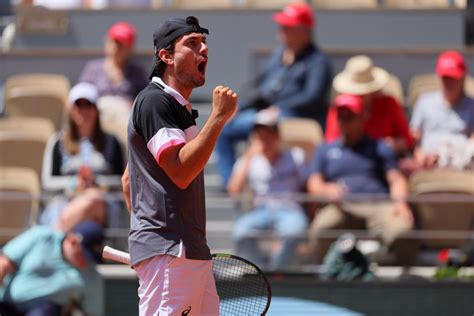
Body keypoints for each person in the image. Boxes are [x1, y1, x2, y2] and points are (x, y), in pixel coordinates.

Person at [122, 16, 237, 315]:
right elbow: (181, 171)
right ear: (167, 56)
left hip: (186, 252)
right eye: (192, 43)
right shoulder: (155, 102)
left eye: (204, 43)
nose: (204, 50)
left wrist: (144, 237)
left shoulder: (175, 107)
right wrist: (218, 117)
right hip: (172, 253)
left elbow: (128, 180)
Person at [215, 1, 332, 186]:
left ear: (304, 31)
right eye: (282, 25)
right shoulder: (278, 55)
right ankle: (229, 183)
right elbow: (258, 87)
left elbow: (313, 96)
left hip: (295, 116)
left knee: (262, 123)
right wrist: (238, 107)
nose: (282, 30)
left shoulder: (317, 60)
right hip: (265, 113)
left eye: (289, 26)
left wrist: (280, 108)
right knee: (223, 127)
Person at [306, 94, 415, 265]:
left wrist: (400, 203)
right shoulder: (324, 150)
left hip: (378, 204)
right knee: (321, 229)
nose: (344, 123)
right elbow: (314, 183)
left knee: (402, 231)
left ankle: (404, 283)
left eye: (349, 117)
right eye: (341, 117)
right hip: (342, 206)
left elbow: (396, 179)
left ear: (361, 119)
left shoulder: (380, 147)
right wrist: (327, 190)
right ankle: (325, 279)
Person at [228, 111, 308, 271]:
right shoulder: (248, 160)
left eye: (269, 134)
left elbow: (306, 186)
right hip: (261, 211)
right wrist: (249, 156)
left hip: (290, 209)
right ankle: (260, 270)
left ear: (277, 135)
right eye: (260, 135)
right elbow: (233, 190)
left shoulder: (296, 156)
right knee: (241, 232)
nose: (265, 139)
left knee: (294, 231)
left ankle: (278, 271)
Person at [41, 82, 125, 231]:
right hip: (65, 200)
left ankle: (53, 237)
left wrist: (96, 182)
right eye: (78, 106)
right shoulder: (58, 141)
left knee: (92, 200)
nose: (83, 111)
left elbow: (123, 178)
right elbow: (48, 182)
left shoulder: (112, 142)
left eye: (88, 105)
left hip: (103, 203)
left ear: (96, 110)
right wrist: (75, 182)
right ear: (71, 110)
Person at [0, 220, 104, 316]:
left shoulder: (93, 277)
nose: (86, 262)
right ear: (73, 241)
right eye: (84, 255)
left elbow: (91, 313)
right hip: (5, 302)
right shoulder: (41, 236)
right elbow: (4, 263)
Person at [325, 55, 414, 156]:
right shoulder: (340, 108)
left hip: (383, 162)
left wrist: (388, 146)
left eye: (363, 93)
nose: (360, 96)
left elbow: (407, 140)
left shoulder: (389, 104)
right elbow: (331, 143)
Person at [410, 50, 474, 169]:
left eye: (453, 78)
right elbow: (414, 138)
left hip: (461, 165)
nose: (448, 83)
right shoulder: (425, 101)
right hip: (426, 164)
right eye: (445, 78)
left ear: (463, 78)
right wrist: (420, 156)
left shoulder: (472, 106)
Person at [79, 22, 147, 104]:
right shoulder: (93, 69)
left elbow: (144, 101)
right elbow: (81, 97)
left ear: (129, 48)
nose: (116, 48)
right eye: (113, 42)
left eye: (121, 45)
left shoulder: (137, 73)